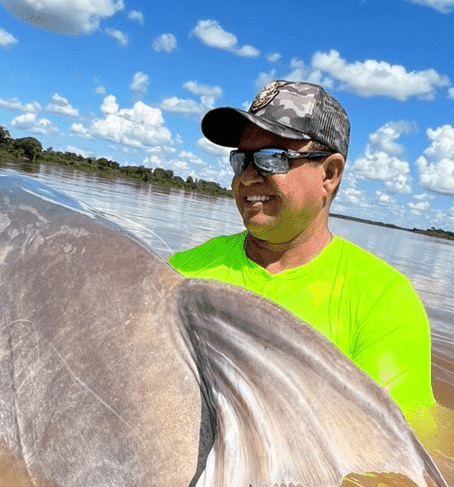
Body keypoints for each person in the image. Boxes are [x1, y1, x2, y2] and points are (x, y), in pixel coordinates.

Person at [169, 79, 436, 411]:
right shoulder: (182, 271)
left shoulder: (383, 302)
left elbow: (394, 449)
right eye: (241, 160)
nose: (247, 177)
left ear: (329, 174)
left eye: (272, 159)